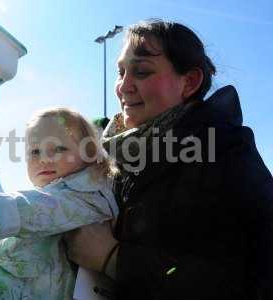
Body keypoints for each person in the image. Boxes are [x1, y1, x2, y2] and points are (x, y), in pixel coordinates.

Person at [64, 19, 273, 299]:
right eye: (121, 72)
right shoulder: (111, 154)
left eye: (141, 72)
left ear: (189, 82)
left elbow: (251, 277)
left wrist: (114, 258)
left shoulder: (227, 153)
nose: (123, 87)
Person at [0, 108, 119, 300]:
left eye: (59, 148)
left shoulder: (88, 196)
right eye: (34, 151)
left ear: (89, 154)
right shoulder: (48, 194)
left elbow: (41, 209)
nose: (43, 158)